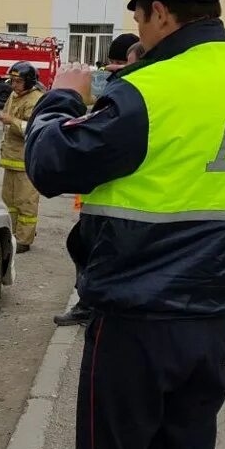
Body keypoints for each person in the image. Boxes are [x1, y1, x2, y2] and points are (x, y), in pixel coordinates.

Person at [23, 0, 225, 449]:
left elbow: (51, 165)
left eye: (139, 14)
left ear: (160, 13)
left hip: (138, 324)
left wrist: (62, 97)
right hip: (214, 319)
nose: (139, 27)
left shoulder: (149, 90)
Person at [56, 32, 144, 325]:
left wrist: (63, 98)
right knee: (81, 247)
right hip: (102, 197)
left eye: (123, 63)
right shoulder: (115, 92)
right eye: (114, 63)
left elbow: (51, 162)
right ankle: (87, 303)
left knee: (95, 255)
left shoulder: (133, 95)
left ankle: (90, 306)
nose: (115, 69)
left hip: (123, 204)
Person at [0, 61, 45, 253]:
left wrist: (12, 121)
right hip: (11, 158)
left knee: (26, 202)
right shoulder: (13, 95)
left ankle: (24, 240)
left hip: (26, 161)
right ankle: (13, 235)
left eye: (18, 81)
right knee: (9, 201)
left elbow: (33, 129)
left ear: (29, 81)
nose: (13, 85)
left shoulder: (35, 99)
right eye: (12, 81)